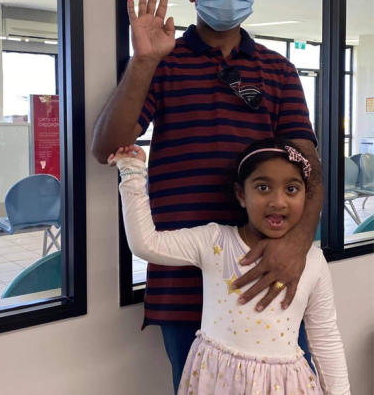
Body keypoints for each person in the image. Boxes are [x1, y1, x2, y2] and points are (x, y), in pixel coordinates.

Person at [91, 0, 321, 391]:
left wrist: (296, 246)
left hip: (264, 269)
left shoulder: (278, 72)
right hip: (184, 278)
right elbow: (105, 147)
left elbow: (309, 170)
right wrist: (143, 62)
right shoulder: (162, 63)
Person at [110, 140, 349, 394]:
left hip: (284, 386)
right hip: (215, 380)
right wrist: (132, 172)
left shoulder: (313, 262)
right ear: (241, 195)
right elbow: (147, 244)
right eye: (263, 187)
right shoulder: (215, 242)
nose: (278, 202)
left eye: (291, 189)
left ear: (305, 196)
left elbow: (325, 339)